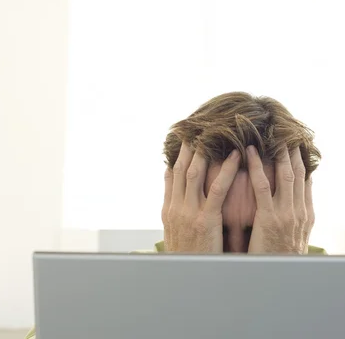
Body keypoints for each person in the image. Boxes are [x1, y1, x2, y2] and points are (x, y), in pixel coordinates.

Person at [25, 92, 324, 339]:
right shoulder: (105, 297)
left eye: (253, 233)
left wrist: (278, 288)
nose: (235, 256)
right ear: (175, 207)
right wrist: (187, 285)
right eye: (217, 231)